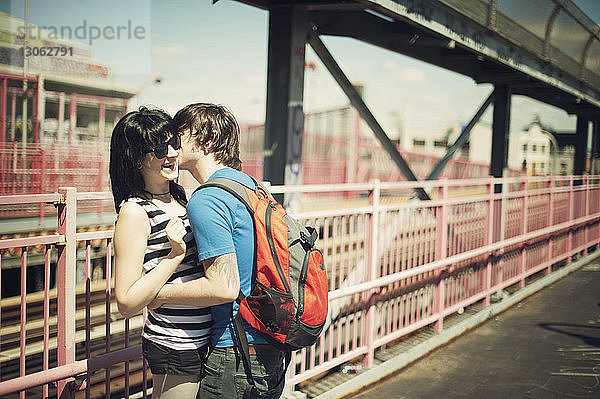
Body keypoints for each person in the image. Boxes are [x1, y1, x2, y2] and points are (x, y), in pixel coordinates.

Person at [150, 103, 287, 399]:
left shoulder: (207, 199)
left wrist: (158, 294)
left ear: (208, 139)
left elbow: (225, 287)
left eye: (179, 135)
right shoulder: (251, 186)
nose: (172, 145)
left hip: (234, 354)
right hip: (269, 349)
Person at [109, 107, 225, 398]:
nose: (172, 153)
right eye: (160, 148)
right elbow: (126, 300)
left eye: (174, 143)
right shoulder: (135, 211)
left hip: (201, 337)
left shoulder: (180, 197)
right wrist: (174, 256)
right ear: (136, 159)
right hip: (175, 344)